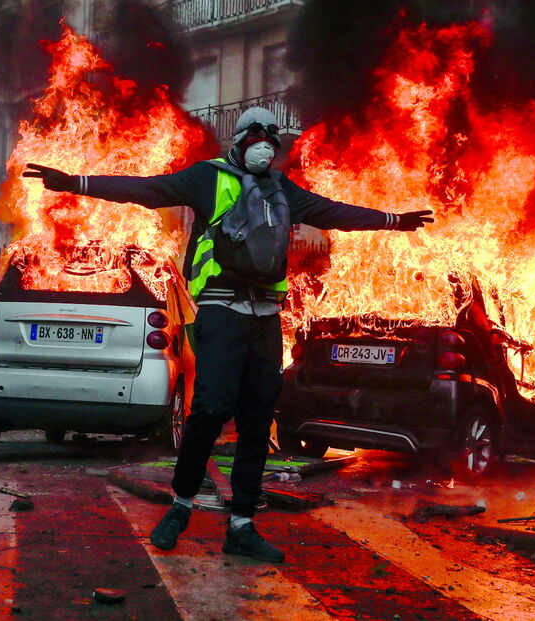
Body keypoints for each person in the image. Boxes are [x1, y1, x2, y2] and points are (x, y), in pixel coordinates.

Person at [23, 107, 433, 563]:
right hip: (220, 308)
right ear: (238, 141)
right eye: (256, 136)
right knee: (213, 407)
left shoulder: (282, 190)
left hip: (264, 315)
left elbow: (334, 212)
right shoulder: (207, 177)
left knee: (258, 418)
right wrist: (76, 183)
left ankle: (241, 524)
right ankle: (180, 505)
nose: (264, 146)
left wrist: (393, 220)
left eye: (271, 142)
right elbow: (145, 190)